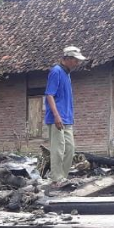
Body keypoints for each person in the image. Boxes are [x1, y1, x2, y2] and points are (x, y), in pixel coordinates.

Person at [44, 46, 86, 184]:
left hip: (67, 118)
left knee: (70, 148)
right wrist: (56, 116)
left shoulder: (67, 74)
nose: (77, 63)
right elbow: (49, 95)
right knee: (58, 148)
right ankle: (56, 178)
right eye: (75, 60)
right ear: (67, 59)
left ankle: (62, 176)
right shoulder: (55, 71)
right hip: (57, 118)